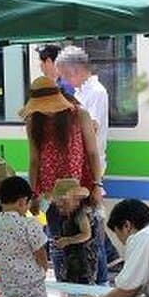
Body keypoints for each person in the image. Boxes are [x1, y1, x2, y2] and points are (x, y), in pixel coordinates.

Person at [21, 76, 103, 278]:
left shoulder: (79, 114)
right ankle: (63, 285)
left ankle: (96, 292)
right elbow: (34, 161)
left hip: (80, 192)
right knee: (57, 244)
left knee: (90, 243)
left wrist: (97, 185)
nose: (46, 110)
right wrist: (32, 194)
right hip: (52, 196)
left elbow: (93, 152)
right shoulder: (33, 121)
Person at [55, 46, 112, 283]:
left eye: (65, 75)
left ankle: (99, 282)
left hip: (89, 170)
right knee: (86, 229)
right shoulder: (84, 90)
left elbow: (93, 126)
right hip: (83, 168)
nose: (65, 80)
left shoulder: (96, 92)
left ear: (75, 69)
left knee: (91, 232)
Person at [50, 178, 97, 284]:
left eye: (63, 203)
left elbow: (86, 234)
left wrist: (68, 240)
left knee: (82, 285)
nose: (60, 208)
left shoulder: (80, 213)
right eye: (59, 205)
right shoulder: (64, 213)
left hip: (84, 260)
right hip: (70, 258)